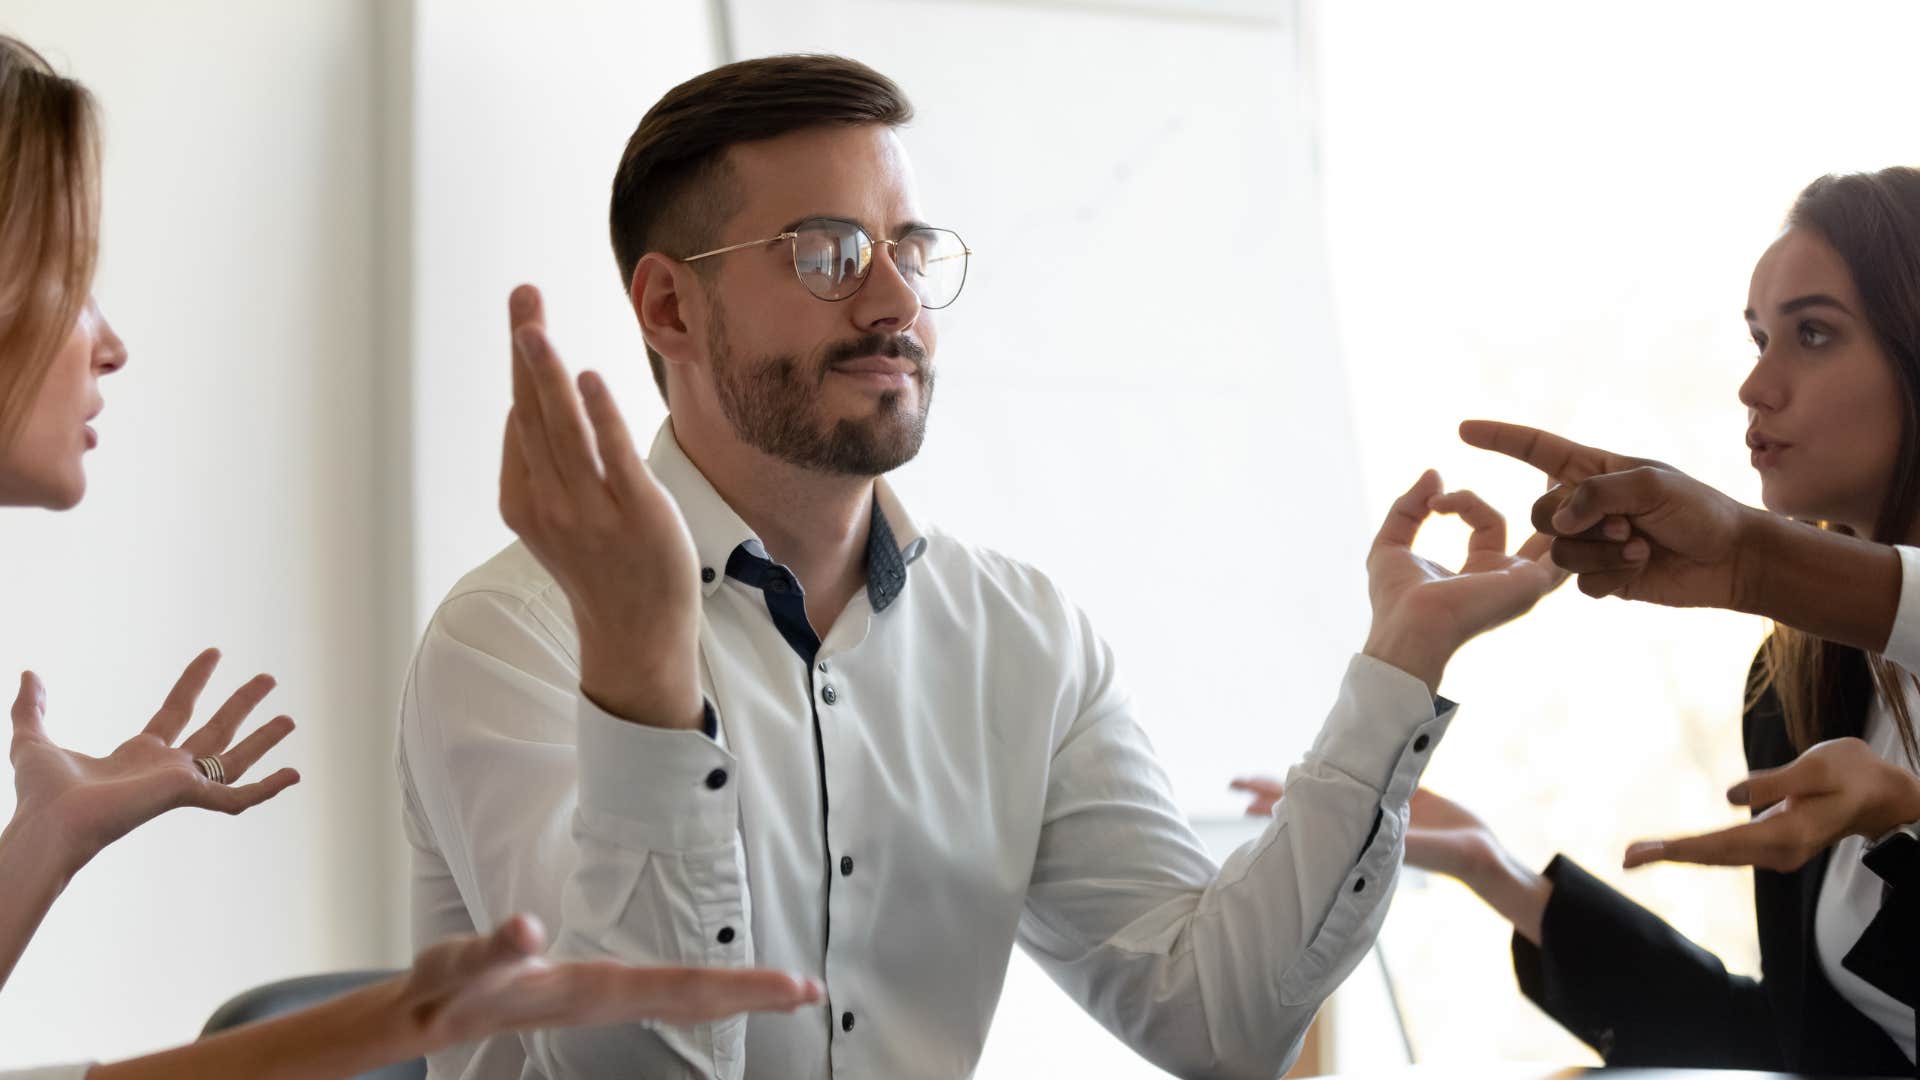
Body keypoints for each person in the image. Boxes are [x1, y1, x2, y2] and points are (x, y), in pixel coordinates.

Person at [397, 54, 1566, 1079]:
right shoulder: (514, 638)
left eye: (906, 246)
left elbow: (1217, 1018)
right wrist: (645, 673)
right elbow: (636, 1073)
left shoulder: (1023, 637)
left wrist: (1403, 660)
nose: (896, 298)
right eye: (829, 253)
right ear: (670, 307)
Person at [0, 34, 820, 1080]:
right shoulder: (504, 631)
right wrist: (390, 1024)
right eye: (72, 277)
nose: (107, 342)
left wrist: (47, 838)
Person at [1239, 167, 1920, 1074]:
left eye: (1813, 333)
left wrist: (1905, 814)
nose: (1756, 385)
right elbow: (1798, 1047)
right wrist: (1497, 868)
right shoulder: (1799, 680)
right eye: (1757, 338)